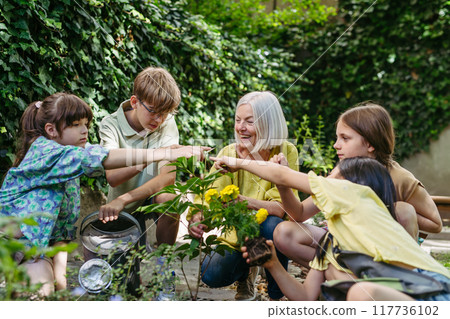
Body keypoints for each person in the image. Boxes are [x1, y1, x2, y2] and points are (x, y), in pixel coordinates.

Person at [0, 92, 207, 297]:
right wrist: (163, 153)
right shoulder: (45, 150)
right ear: (51, 130)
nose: (84, 131)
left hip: (34, 253)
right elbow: (103, 158)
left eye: (86, 125)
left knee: (38, 295)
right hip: (5, 243)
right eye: (75, 125)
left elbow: (61, 235)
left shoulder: (70, 172)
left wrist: (62, 291)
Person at [212, 155, 450, 301]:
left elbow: (283, 176)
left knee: (356, 293)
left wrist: (239, 163)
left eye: (332, 178)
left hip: (432, 293)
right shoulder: (331, 243)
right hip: (389, 300)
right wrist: (273, 264)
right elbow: (305, 297)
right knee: (348, 290)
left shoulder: (360, 198)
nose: (325, 182)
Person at [273, 101, 442, 267]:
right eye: (337, 137)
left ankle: (398, 278)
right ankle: (335, 275)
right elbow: (300, 213)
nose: (335, 145)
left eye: (344, 138)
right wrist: (283, 185)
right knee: (285, 233)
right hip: (345, 245)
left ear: (369, 144)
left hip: (382, 249)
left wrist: (382, 208)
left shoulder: (400, 178)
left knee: (404, 210)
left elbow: (435, 224)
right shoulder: (341, 174)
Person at [188, 91, 300, 301]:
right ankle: (246, 274)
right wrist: (198, 217)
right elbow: (208, 195)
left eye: (249, 122)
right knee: (210, 274)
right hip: (237, 234)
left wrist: (245, 202)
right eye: (238, 120)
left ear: (268, 124)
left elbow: (284, 208)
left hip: (269, 229)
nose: (240, 127)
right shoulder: (228, 153)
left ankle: (278, 293)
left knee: (274, 224)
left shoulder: (286, 151)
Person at [98, 66, 182, 249]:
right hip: (122, 206)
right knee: (128, 274)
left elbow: (168, 178)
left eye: (164, 113)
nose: (159, 120)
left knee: (170, 201)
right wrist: (154, 156)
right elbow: (113, 177)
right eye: (152, 111)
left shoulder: (167, 123)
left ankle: (163, 264)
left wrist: (124, 198)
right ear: (135, 102)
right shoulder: (110, 124)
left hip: (146, 196)